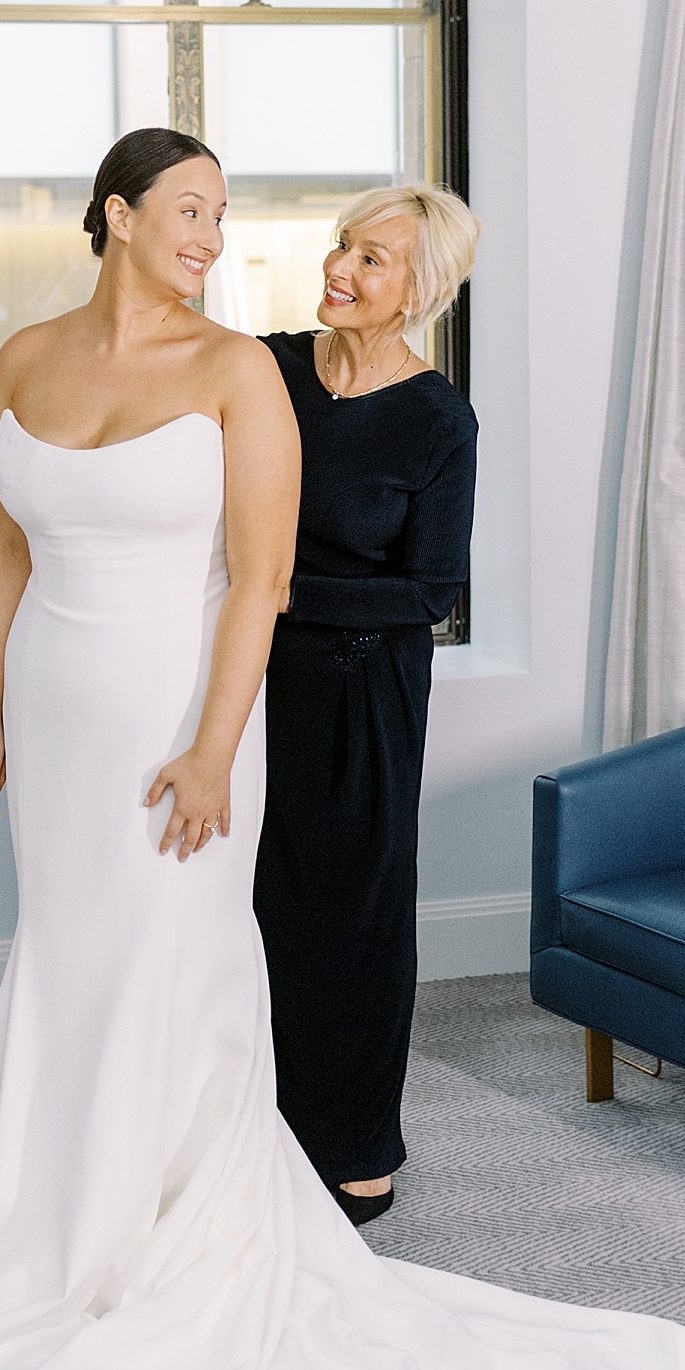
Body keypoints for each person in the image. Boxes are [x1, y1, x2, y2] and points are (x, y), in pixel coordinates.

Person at [0, 127, 685, 1370]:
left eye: (223, 216)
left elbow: (263, 575)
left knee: (222, 949)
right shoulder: (48, 353)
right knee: (69, 956)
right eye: (190, 211)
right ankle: (48, 1224)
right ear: (114, 214)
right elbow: (4, 538)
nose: (218, 237)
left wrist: (207, 745)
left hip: (206, 709)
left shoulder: (256, 378)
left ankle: (222, 1197)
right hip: (57, 707)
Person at [257, 187, 479, 1226]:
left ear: (417, 295)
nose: (341, 267)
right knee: (250, 912)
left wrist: (283, 592)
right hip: (245, 680)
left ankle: (355, 1144)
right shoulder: (271, 368)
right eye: (343, 245)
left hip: (362, 689)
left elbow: (431, 593)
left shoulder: (438, 417)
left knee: (351, 918)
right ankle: (249, 1124)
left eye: (374, 260)